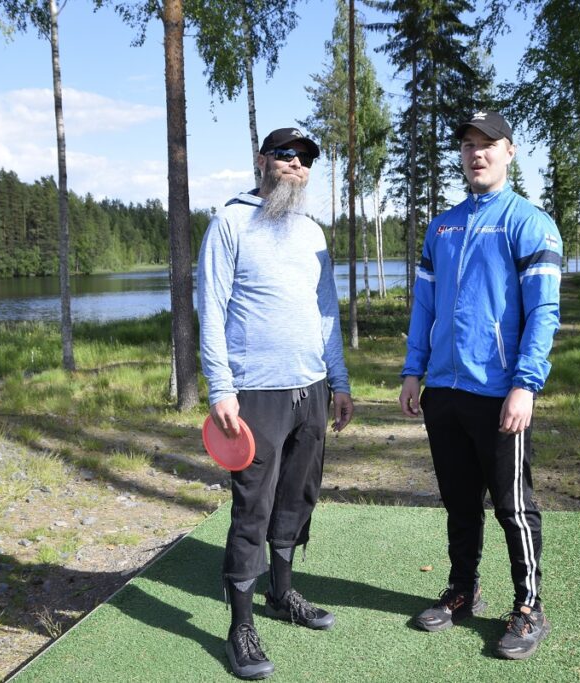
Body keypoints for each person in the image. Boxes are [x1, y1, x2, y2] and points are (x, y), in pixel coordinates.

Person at [399, 110, 562, 660]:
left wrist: (526, 384)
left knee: (513, 506)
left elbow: (543, 314)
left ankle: (529, 606)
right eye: (468, 145)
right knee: (460, 503)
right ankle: (463, 590)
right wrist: (412, 370)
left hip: (500, 394)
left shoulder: (529, 222)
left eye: (487, 144)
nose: (476, 154)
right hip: (443, 390)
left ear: (509, 151)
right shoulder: (441, 225)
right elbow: (423, 305)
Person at [198, 127, 353, 680]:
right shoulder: (231, 223)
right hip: (255, 396)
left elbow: (326, 313)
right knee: (252, 509)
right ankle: (240, 625)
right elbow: (210, 311)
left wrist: (339, 381)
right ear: (262, 160)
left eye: (306, 158)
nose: (295, 164)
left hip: (310, 391)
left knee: (297, 498)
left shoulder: (313, 232)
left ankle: (281, 594)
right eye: (285, 154)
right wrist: (220, 388)